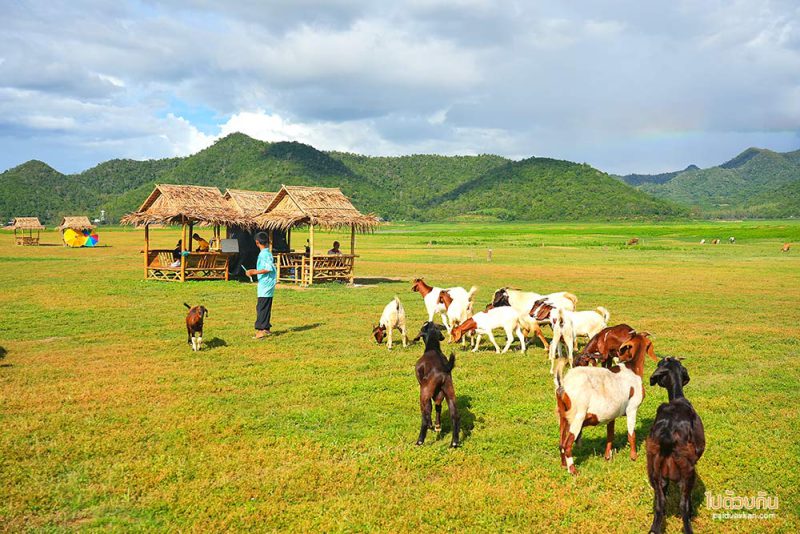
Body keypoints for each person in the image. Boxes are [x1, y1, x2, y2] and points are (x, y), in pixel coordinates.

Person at [246, 232, 276, 339]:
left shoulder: (264, 254)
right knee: (266, 305)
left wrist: (254, 272)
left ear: (257, 242)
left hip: (266, 284)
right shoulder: (267, 253)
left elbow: (268, 269)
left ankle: (260, 330)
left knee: (261, 307)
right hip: (268, 283)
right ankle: (266, 328)